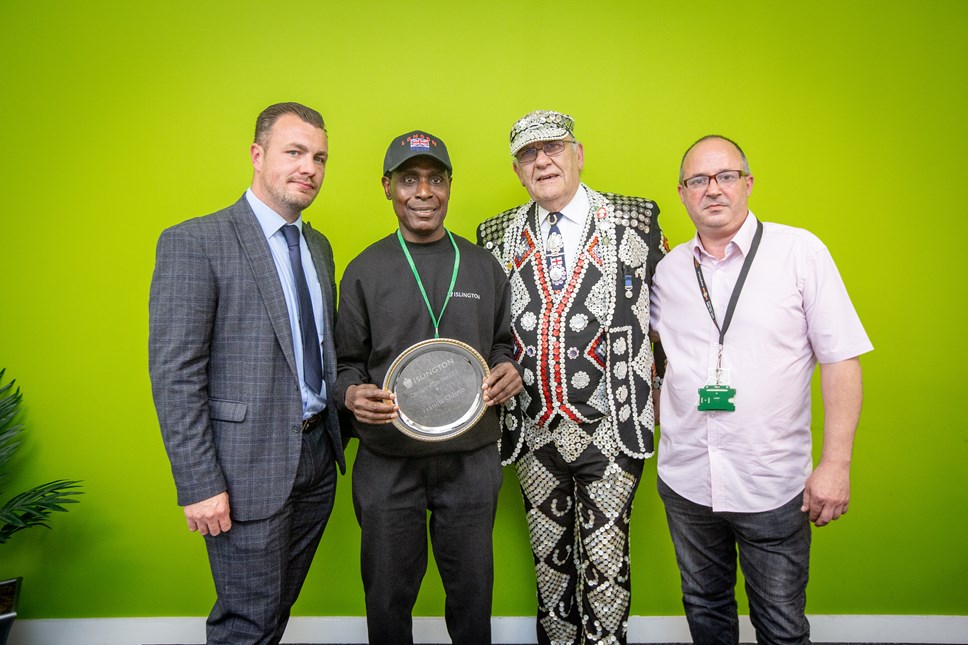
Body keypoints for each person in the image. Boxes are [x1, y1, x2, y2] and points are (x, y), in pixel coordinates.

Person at [650, 135, 873, 644]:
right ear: (682, 193)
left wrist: (835, 465)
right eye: (698, 180)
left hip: (771, 483)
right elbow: (650, 355)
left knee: (781, 625)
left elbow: (842, 362)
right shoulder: (667, 272)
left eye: (726, 176)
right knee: (705, 611)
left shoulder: (800, 253)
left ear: (748, 183)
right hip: (687, 478)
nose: (713, 189)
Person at [149, 102, 345, 645]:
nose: (309, 167)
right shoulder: (195, 242)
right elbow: (175, 373)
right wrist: (200, 483)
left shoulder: (319, 248)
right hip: (243, 471)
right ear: (257, 155)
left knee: (276, 611)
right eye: (295, 152)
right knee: (247, 622)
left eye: (320, 157)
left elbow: (321, 351)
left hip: (316, 460)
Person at [477, 110, 667, 644]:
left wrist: (661, 394)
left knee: (606, 565)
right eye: (528, 155)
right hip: (533, 429)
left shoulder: (637, 219)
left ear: (578, 154)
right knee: (548, 564)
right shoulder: (494, 235)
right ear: (518, 171)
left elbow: (669, 321)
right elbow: (488, 330)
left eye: (553, 148)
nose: (542, 161)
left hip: (614, 427)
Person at [335, 130, 523, 645]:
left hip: (470, 457)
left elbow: (503, 345)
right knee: (387, 596)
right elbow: (345, 362)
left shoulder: (482, 266)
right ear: (387, 187)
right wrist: (350, 394)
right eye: (409, 179)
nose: (424, 192)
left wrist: (510, 370)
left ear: (449, 186)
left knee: (471, 594)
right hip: (387, 459)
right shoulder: (364, 271)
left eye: (435, 179)